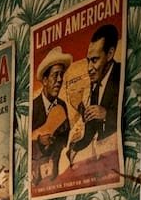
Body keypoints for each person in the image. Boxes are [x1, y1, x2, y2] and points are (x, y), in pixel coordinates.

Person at [68, 24, 121, 159]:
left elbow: (130, 117)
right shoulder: (95, 87)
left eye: (95, 60)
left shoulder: (121, 75)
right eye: (88, 61)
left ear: (110, 54)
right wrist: (74, 147)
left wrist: (106, 114)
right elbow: (90, 130)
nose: (89, 68)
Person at [31, 47, 73, 185]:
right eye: (55, 75)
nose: (60, 80)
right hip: (37, 177)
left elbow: (65, 139)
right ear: (44, 80)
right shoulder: (33, 108)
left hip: (57, 171)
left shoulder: (62, 106)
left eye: (62, 75)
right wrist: (39, 142)